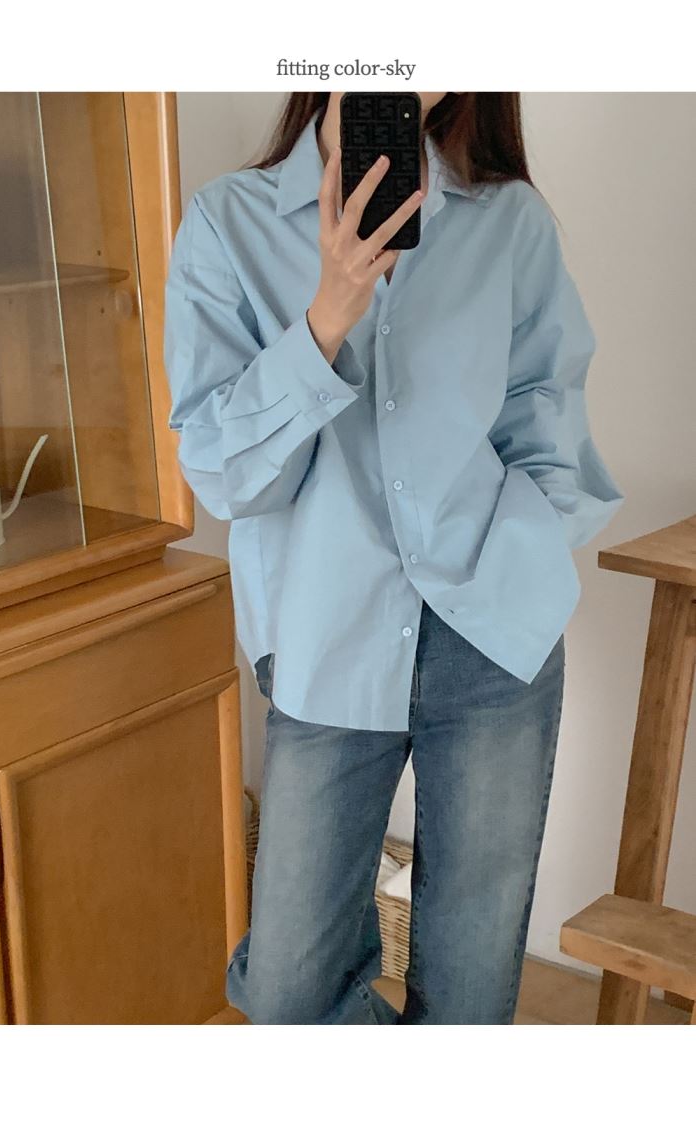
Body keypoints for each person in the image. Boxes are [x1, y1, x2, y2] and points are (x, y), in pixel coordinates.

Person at [163, 92, 625, 1024]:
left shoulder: (510, 222)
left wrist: (523, 559)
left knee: (468, 994)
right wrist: (327, 315)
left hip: (492, 641)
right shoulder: (226, 221)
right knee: (288, 995)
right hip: (326, 638)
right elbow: (224, 475)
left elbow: (548, 421)